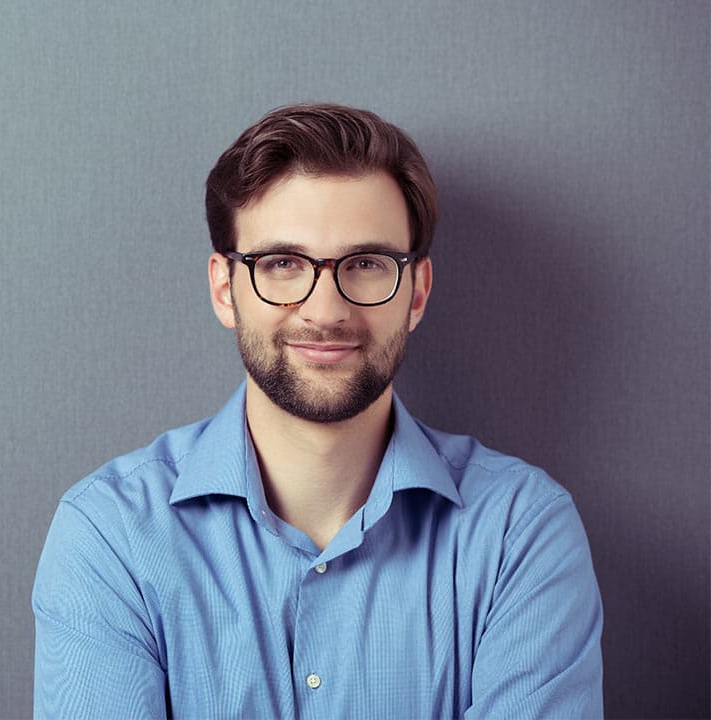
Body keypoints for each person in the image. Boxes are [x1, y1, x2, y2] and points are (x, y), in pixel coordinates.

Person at [32, 103, 603, 718]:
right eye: (281, 264)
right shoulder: (111, 536)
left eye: (365, 265)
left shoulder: (521, 534)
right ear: (225, 289)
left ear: (417, 293)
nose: (325, 311)